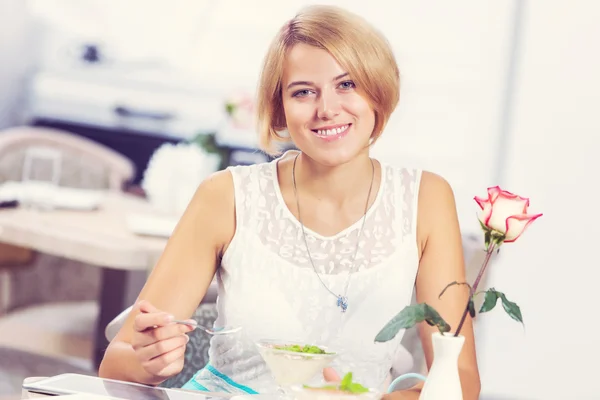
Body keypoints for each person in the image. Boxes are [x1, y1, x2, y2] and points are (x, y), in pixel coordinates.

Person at [98, 5, 480, 399]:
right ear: (280, 106)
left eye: (347, 85)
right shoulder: (225, 196)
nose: (327, 108)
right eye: (303, 92)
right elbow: (117, 360)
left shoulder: (426, 200)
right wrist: (149, 360)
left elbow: (461, 378)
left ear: (377, 91)